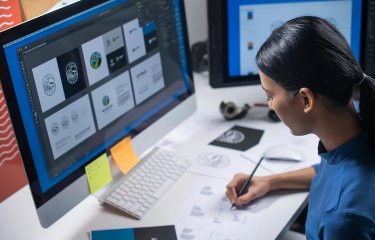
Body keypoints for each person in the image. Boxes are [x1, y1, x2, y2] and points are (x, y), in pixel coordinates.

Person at [226, 16, 375, 239]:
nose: (270, 105)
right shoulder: (360, 133)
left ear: (306, 99)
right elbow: (329, 170)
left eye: (270, 96)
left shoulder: (343, 218)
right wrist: (270, 182)